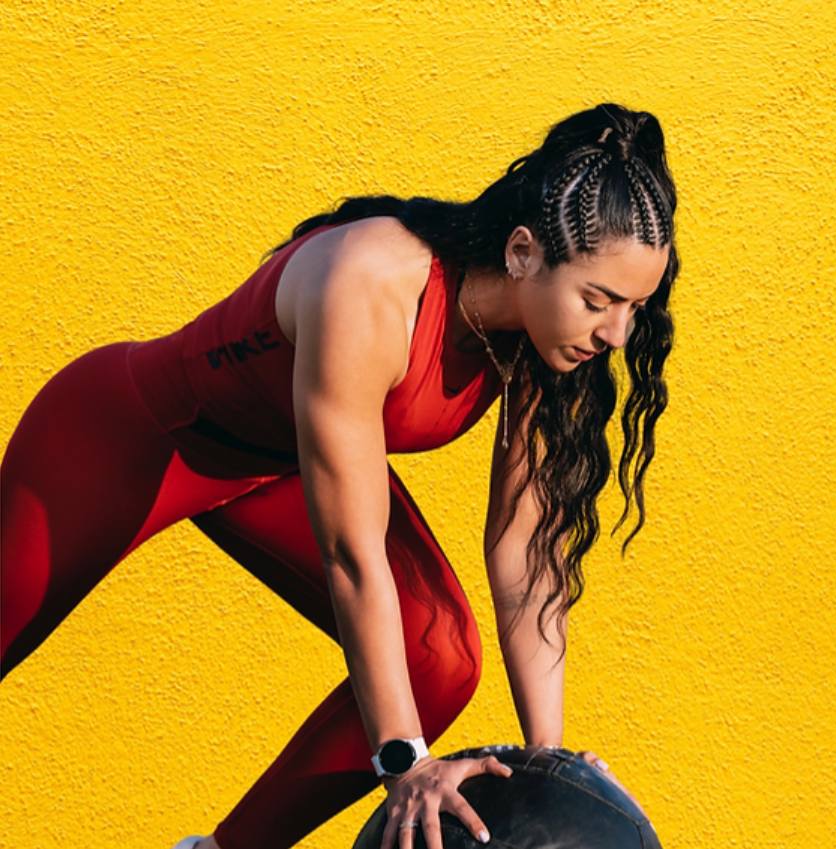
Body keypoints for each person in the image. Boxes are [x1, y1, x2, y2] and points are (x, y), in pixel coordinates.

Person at [0, 103, 678, 849]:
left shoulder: (549, 344)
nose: (616, 332)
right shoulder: (371, 283)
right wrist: (403, 761)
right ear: (522, 252)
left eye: (634, 307)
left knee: (438, 656)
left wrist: (551, 764)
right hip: (133, 439)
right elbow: (352, 554)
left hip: (277, 468)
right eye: (598, 300)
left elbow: (525, 552)